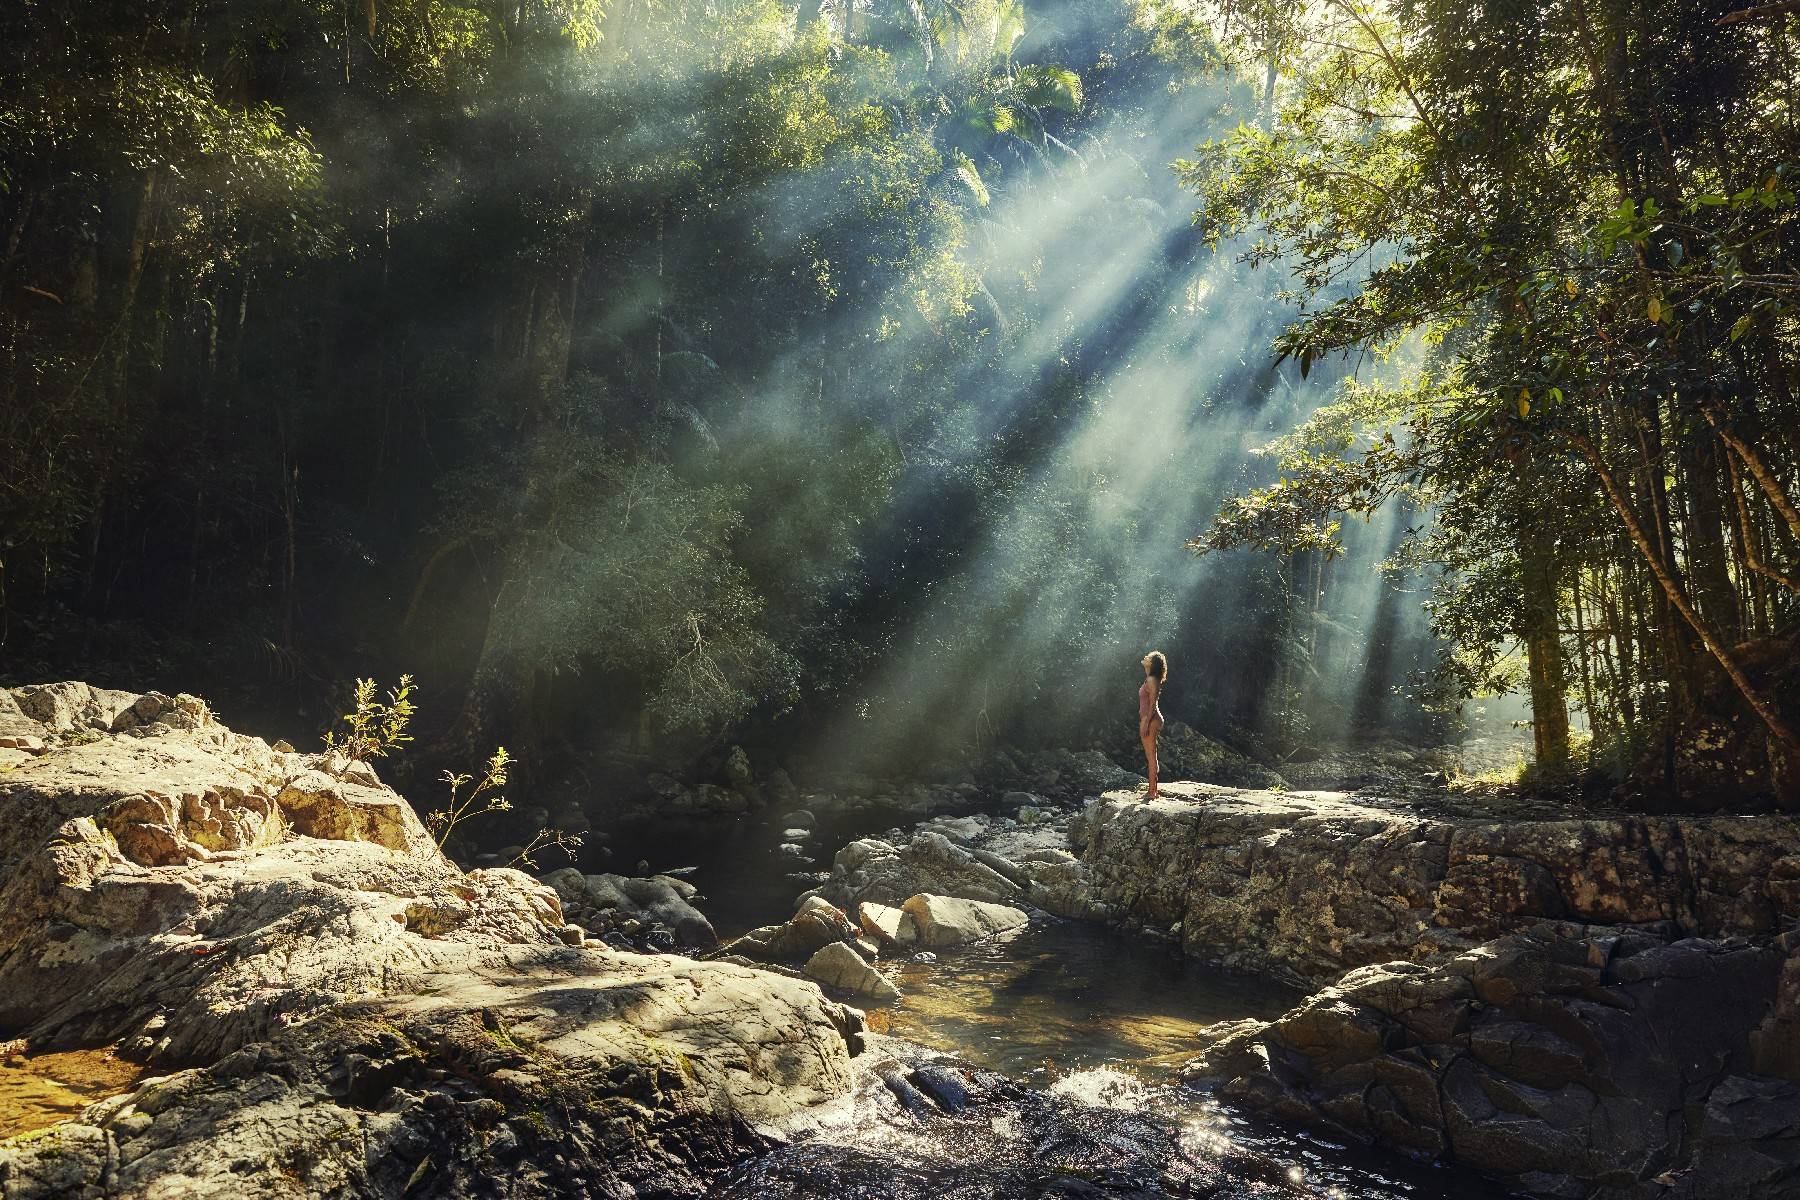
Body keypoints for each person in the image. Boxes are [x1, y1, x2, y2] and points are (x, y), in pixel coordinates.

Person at [1139, 651, 1166, 799]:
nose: (1145, 658)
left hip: (1151, 719)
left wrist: (1146, 723)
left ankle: (1152, 792)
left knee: (1151, 756)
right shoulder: (1150, 678)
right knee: (1151, 755)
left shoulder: (1151, 680)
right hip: (1150, 719)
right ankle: (1153, 790)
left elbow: (1153, 705)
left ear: (1153, 663)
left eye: (1148, 657)